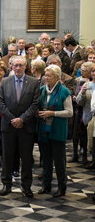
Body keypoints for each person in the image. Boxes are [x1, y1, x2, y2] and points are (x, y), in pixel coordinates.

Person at [0, 56, 40, 198]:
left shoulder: (34, 82)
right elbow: (0, 103)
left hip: (26, 126)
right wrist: (12, 119)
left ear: (25, 66)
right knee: (7, 156)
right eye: (16, 65)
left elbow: (35, 104)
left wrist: (22, 119)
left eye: (21, 65)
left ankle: (26, 186)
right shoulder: (5, 82)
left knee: (26, 157)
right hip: (8, 126)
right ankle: (6, 184)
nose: (18, 68)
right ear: (11, 66)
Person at [37, 65, 73, 197]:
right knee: (45, 160)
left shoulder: (64, 91)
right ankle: (46, 186)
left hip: (57, 129)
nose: (46, 78)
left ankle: (61, 187)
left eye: (49, 76)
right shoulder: (41, 90)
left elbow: (69, 112)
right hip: (44, 130)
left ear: (57, 77)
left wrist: (53, 113)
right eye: (45, 75)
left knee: (59, 161)